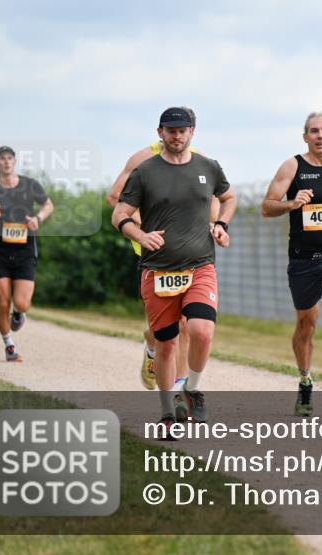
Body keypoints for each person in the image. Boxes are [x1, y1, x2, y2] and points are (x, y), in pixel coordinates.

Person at [111, 107, 236, 429]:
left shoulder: (208, 166)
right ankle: (168, 411)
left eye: (182, 130)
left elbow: (229, 197)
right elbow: (119, 211)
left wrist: (220, 224)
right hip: (158, 268)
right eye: (171, 130)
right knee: (166, 341)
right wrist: (140, 233)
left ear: (192, 132)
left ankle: (192, 390)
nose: (177, 135)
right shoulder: (144, 170)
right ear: (160, 132)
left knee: (200, 331)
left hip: (200, 265)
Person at [261, 112, 322, 416]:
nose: (320, 136)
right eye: (314, 131)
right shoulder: (293, 166)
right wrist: (291, 203)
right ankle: (305, 382)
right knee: (307, 322)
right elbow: (267, 206)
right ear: (305, 136)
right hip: (304, 257)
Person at [0, 146, 54, 362]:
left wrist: (38, 219)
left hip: (25, 250)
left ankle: (19, 314)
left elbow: (48, 205)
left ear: (14, 162)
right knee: (2, 301)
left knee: (22, 303)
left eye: (9, 158)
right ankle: (9, 345)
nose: (6, 162)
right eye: (1, 159)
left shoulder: (29, 185)